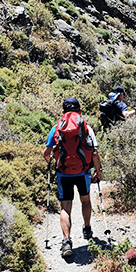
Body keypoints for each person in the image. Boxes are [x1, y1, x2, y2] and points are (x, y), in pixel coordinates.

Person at [43, 97, 102, 258]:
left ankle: (66, 241)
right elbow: (95, 153)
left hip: (63, 174)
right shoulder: (87, 129)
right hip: (83, 173)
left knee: (66, 207)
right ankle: (87, 228)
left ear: (63, 112)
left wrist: (56, 164)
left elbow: (46, 154)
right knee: (85, 200)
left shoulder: (56, 128)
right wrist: (98, 171)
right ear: (80, 111)